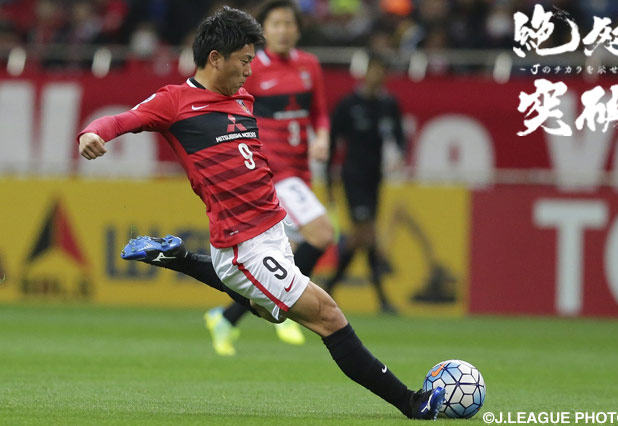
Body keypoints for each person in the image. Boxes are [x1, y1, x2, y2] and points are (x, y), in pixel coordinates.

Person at [77, 6, 444, 420]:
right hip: (243, 245)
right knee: (328, 315)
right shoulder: (175, 101)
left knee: (264, 310)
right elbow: (121, 119)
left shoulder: (243, 98)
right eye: (245, 61)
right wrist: (91, 133)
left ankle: (179, 258)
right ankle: (412, 403)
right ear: (215, 58)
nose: (250, 70)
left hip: (272, 231)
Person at [201, 0, 335, 356]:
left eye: (289, 23)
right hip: (273, 173)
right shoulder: (252, 68)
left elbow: (320, 113)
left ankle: (226, 318)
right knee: (323, 233)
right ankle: (287, 303)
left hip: (301, 171)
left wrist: (322, 137)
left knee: (285, 255)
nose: (283, 30)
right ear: (264, 30)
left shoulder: (309, 65)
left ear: (298, 29)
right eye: (276, 24)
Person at [324, 52, 406, 314]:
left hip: (375, 178)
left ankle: (329, 287)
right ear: (366, 72)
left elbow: (399, 135)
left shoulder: (388, 104)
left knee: (362, 238)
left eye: (382, 71)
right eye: (374, 70)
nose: (377, 76)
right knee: (368, 233)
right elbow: (331, 142)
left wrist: (400, 154)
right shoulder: (349, 104)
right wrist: (328, 181)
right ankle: (382, 298)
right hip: (353, 176)